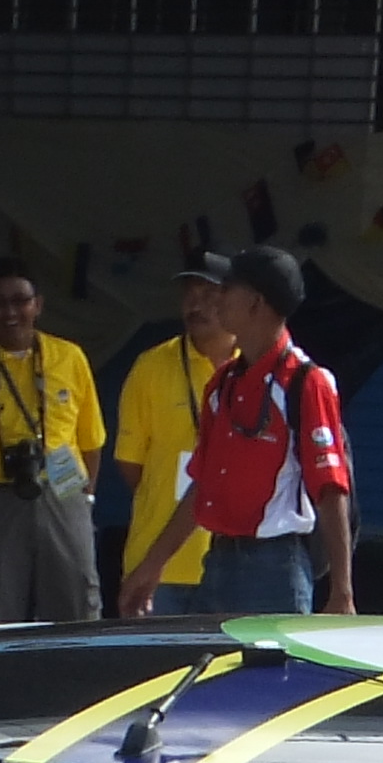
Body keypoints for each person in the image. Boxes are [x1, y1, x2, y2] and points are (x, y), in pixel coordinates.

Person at [122, 244, 350, 622]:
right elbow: (203, 484)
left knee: (272, 679)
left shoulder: (306, 382)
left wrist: (343, 591)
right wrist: (153, 565)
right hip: (220, 559)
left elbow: (331, 489)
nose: (217, 299)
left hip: (275, 566)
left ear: (255, 303)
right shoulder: (223, 384)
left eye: (227, 289)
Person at [0, 256, 102, 626]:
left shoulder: (69, 357)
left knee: (77, 601)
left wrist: (85, 498)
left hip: (63, 491)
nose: (10, 312)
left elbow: (91, 440)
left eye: (20, 300)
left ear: (39, 305)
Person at [109, 261, 228, 617]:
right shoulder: (151, 366)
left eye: (209, 294)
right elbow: (131, 466)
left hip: (230, 564)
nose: (196, 305)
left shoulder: (256, 369)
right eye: (189, 295)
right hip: (160, 565)